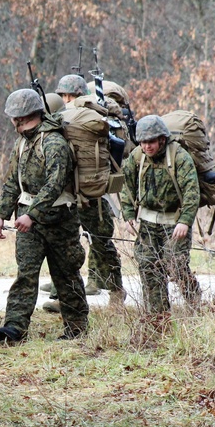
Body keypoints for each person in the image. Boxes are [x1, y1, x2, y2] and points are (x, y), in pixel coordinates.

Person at [0, 89, 88, 342]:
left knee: (66, 275)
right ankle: (14, 327)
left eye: (15, 117)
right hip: (28, 222)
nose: (13, 122)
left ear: (23, 117)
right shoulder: (23, 142)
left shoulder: (54, 143)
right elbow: (13, 180)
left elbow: (54, 185)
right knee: (25, 274)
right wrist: (1, 214)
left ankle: (76, 328)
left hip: (60, 221)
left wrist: (31, 215)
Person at [42, 74, 126, 309]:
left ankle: (116, 291)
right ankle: (67, 295)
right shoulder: (90, 117)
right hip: (82, 191)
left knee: (96, 243)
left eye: (66, 95)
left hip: (86, 192)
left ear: (72, 95)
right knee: (80, 243)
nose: (65, 99)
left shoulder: (82, 116)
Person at [119, 114, 202, 332]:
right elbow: (126, 187)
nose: (147, 146)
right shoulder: (137, 157)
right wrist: (128, 214)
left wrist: (185, 221)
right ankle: (158, 320)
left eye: (151, 142)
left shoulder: (180, 158)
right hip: (147, 222)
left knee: (175, 266)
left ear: (162, 140)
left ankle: (193, 297)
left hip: (174, 222)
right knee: (148, 266)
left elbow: (192, 192)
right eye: (143, 142)